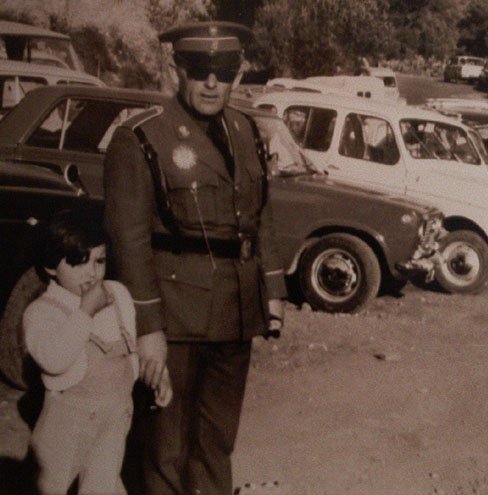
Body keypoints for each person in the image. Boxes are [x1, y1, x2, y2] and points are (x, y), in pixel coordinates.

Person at [103, 21, 287, 495]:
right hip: (176, 315)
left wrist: (273, 291)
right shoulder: (141, 137)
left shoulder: (245, 130)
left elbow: (259, 213)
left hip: (235, 311)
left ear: (236, 74)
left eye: (223, 71)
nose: (212, 83)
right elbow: (129, 242)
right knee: (166, 447)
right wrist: (148, 330)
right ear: (177, 69)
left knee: (217, 440)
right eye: (200, 69)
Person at [23, 208, 172, 495]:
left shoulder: (117, 294)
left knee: (102, 484)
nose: (92, 272)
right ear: (52, 266)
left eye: (100, 261)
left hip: (115, 416)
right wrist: (85, 312)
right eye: (79, 262)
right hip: (66, 423)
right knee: (51, 484)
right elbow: (54, 360)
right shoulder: (42, 312)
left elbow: (132, 345)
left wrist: (157, 375)